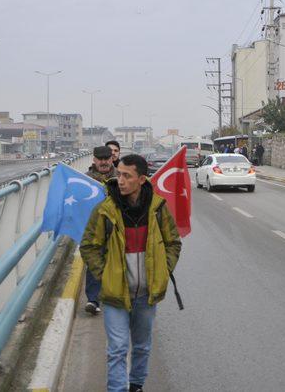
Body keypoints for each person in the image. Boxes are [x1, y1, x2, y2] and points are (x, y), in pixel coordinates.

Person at [80, 154, 181, 392]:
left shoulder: (157, 209)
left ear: (142, 179)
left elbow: (173, 242)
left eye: (127, 176)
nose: (121, 180)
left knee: (142, 346)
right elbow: (89, 246)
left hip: (146, 295)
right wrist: (104, 274)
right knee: (116, 349)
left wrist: (163, 271)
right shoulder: (105, 210)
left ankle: (136, 385)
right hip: (115, 294)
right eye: (119, 174)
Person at [84, 146, 117, 315]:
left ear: (112, 159)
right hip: (95, 229)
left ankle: (116, 295)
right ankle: (93, 299)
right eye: (100, 159)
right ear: (94, 160)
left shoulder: (121, 178)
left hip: (117, 229)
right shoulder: (86, 180)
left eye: (107, 158)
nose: (104, 162)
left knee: (118, 262)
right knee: (93, 262)